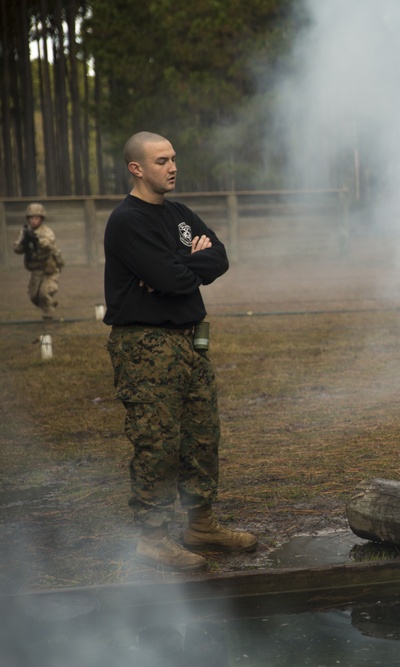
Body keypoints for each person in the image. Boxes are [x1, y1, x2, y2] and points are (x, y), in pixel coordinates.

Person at [103, 131, 257, 571]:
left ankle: (201, 523)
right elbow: (174, 281)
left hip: (191, 340)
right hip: (145, 344)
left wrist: (177, 265)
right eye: (161, 161)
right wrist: (183, 265)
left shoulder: (179, 214)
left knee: (201, 436)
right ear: (136, 168)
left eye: (173, 159)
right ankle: (151, 538)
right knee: (158, 441)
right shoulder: (128, 220)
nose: (172, 167)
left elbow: (219, 258)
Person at [12, 203, 63, 319]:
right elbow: (16, 248)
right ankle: (50, 304)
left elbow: (49, 244)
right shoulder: (25, 233)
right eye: (31, 218)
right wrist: (23, 243)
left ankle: (49, 315)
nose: (34, 221)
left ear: (41, 219)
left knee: (44, 293)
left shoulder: (46, 231)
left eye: (36, 218)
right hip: (36, 270)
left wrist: (37, 241)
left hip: (50, 269)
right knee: (33, 295)